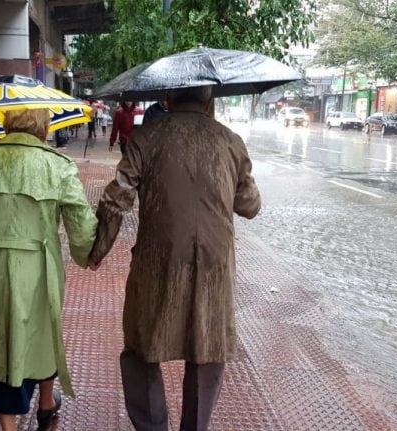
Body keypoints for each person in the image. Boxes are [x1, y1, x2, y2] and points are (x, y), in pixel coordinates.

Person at [88, 85, 261, 430]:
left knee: (141, 346)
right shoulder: (230, 141)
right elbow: (250, 206)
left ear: (166, 99)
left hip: (158, 262)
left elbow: (116, 198)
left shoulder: (145, 138)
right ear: (209, 101)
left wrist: (97, 250)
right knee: (207, 351)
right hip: (214, 265)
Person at [0, 108, 98, 431]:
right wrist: (88, 254)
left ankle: (9, 425)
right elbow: (80, 222)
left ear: (7, 125)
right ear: (44, 127)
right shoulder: (57, 166)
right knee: (42, 332)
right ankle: (46, 405)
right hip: (38, 267)